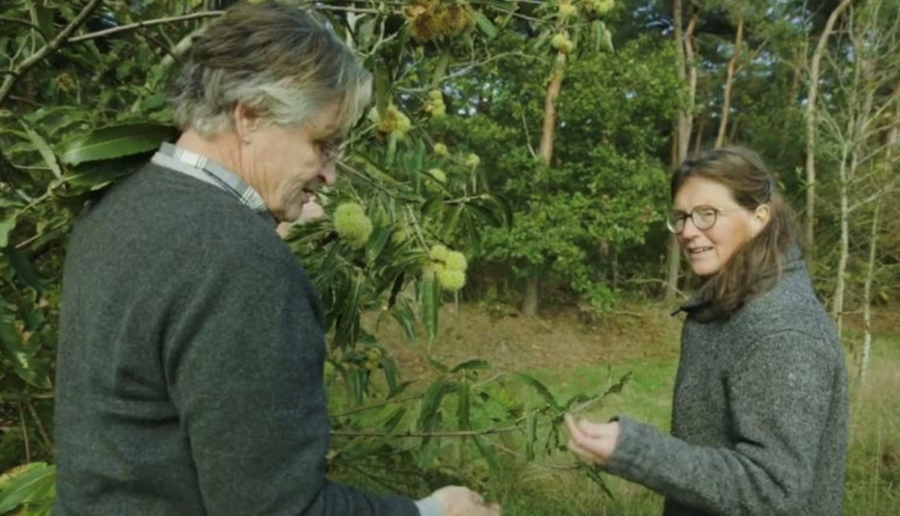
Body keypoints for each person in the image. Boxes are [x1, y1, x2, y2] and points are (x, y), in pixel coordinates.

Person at [53, 3, 499, 516]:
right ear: (250, 115)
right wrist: (432, 512)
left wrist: (256, 230)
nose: (330, 174)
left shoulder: (115, 205)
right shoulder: (240, 264)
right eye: (322, 144)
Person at [565, 146, 848, 516]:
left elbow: (774, 488)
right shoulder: (730, 305)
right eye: (681, 217)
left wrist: (638, 451)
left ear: (759, 216)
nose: (687, 231)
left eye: (706, 214)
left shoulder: (781, 330)